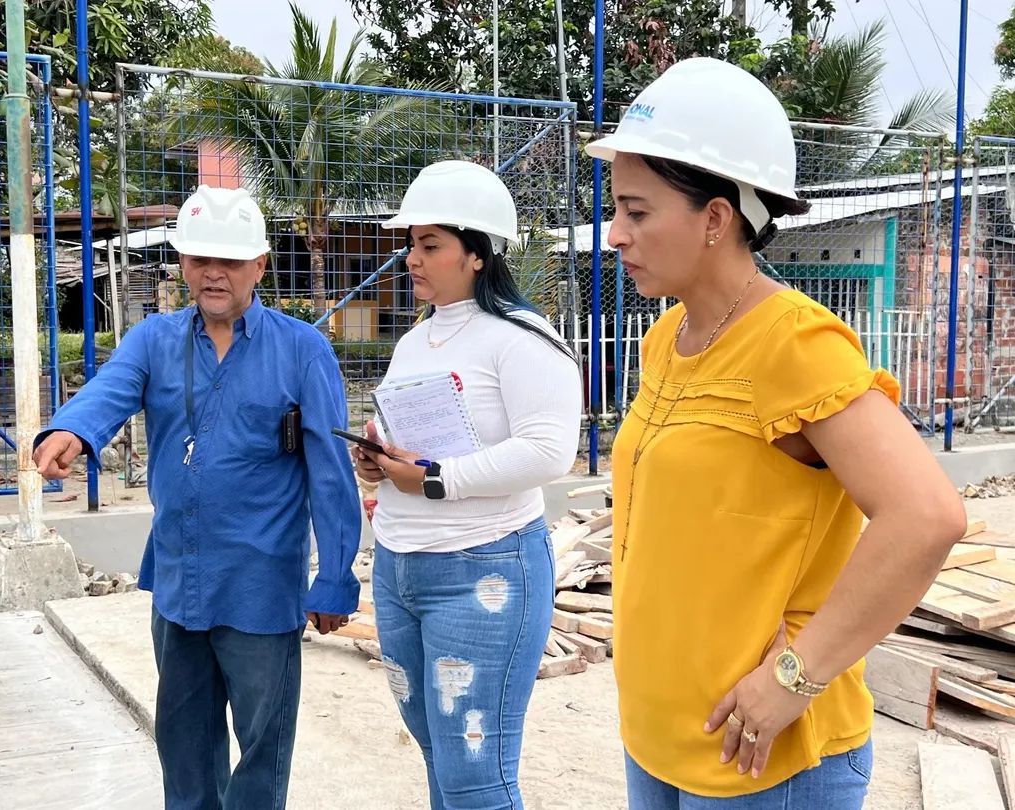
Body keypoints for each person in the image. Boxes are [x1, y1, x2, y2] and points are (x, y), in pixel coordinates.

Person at [586, 58, 967, 808]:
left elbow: (927, 516)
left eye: (636, 211)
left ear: (715, 219)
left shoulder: (794, 343)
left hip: (761, 762)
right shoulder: (667, 338)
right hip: (660, 738)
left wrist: (796, 676)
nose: (615, 234)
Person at [32, 185, 362, 810]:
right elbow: (110, 389)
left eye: (230, 260)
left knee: (262, 750)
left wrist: (336, 575)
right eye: (200, 258)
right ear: (182, 263)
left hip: (261, 584)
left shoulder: (301, 349)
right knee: (183, 747)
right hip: (180, 581)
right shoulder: (154, 340)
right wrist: (71, 430)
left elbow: (329, 473)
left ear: (260, 265)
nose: (214, 273)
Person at [352, 160, 583, 809]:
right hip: (400, 570)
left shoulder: (522, 338)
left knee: (476, 776)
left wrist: (433, 481)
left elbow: (548, 451)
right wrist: (377, 462)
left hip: (484, 569)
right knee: (439, 755)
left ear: (477, 253)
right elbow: (410, 442)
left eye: (430, 245)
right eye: (411, 244)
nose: (411, 259)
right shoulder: (417, 341)